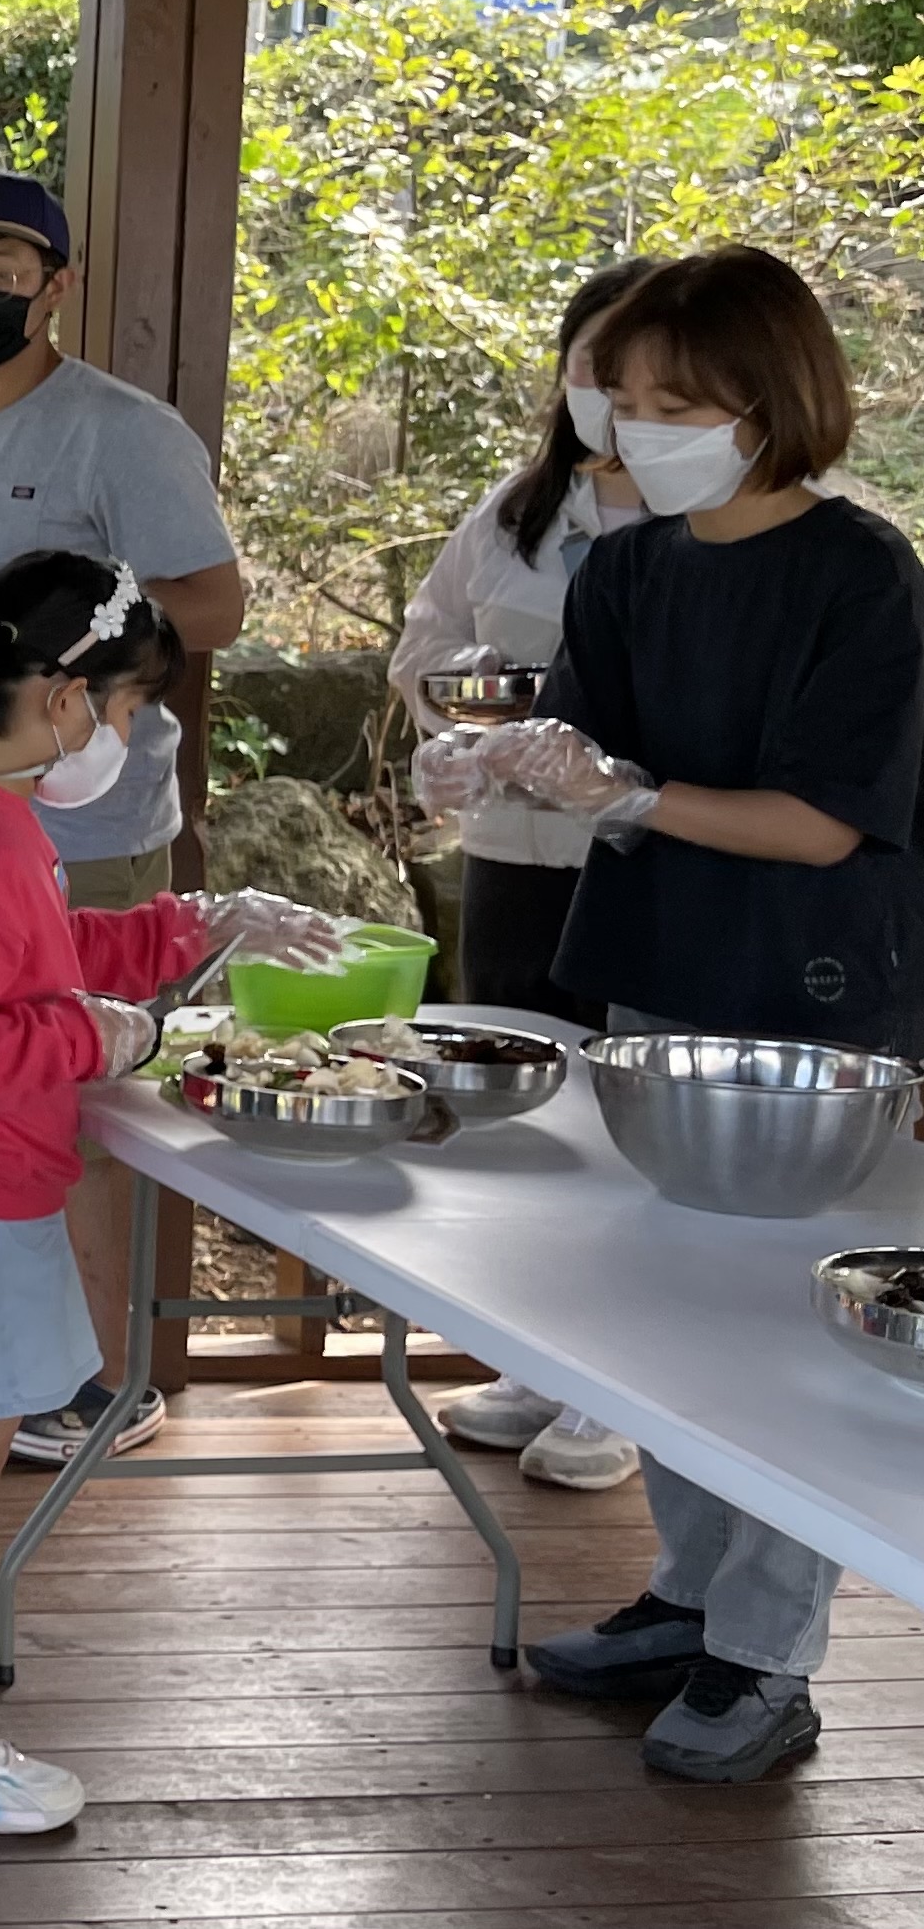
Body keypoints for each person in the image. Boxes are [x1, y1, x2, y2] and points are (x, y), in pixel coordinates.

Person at [440, 245, 924, 1784]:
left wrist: (636, 791)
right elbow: (591, 746)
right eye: (622, 397)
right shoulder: (634, 568)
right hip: (656, 974)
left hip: (812, 991)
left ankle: (768, 1660)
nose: (634, 428)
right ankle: (692, 1594)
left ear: (773, 404)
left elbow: (829, 824)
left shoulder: (863, 577)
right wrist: (509, 764)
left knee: (781, 1325)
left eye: (676, 402)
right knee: (658, 1297)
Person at [0, 553, 335, 1834]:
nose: (139, 735)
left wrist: (191, 925)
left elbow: (39, 950)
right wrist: (102, 1042)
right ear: (65, 698)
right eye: (135, 708)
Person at [0, 169, 247, 1465]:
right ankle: (4, 1355)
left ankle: (103, 1380)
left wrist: (54, 629)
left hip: (89, 810)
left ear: (56, 284)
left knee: (86, 1089)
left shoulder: (121, 431)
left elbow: (216, 605)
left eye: (0, 265)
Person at [388, 258, 658, 1495]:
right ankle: (540, 1360)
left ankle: (626, 1385)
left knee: (624, 1113)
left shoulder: (716, 514)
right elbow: (429, 646)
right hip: (513, 851)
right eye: (593, 361)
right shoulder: (518, 506)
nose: (608, 387)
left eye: (639, 365)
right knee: (525, 1095)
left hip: (642, 858)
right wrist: (456, 726)